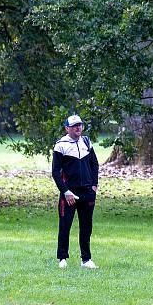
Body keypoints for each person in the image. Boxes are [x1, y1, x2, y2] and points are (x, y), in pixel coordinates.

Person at [51, 114, 100, 269]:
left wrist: (94, 186)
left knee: (86, 226)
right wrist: (65, 191)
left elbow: (94, 165)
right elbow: (55, 172)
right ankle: (62, 258)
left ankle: (86, 259)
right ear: (67, 128)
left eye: (80, 125)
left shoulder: (86, 141)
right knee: (65, 226)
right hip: (69, 194)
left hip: (87, 192)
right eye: (74, 126)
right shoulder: (60, 145)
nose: (78, 128)